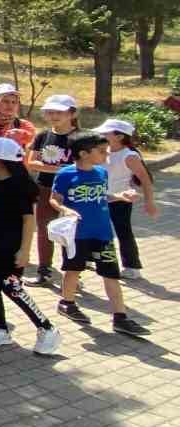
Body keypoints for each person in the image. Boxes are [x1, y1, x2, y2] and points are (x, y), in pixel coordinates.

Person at [52, 131, 149, 337]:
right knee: (73, 270)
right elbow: (54, 199)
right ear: (84, 153)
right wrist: (65, 209)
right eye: (102, 151)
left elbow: (102, 196)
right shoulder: (66, 174)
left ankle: (120, 318)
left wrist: (121, 196)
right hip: (77, 235)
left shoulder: (101, 173)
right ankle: (67, 303)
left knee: (110, 274)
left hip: (103, 233)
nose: (107, 155)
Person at [0, 138, 57, 351]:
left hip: (9, 247)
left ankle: (46, 328)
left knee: (12, 287)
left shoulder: (18, 186)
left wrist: (24, 250)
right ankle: (0, 329)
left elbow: (29, 220)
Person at [24, 94, 77, 286]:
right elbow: (31, 162)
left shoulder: (80, 137)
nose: (54, 116)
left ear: (72, 113)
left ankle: (72, 273)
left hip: (72, 191)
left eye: (60, 112)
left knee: (69, 231)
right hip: (45, 187)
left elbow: (87, 164)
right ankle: (44, 270)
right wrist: (59, 169)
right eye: (50, 112)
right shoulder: (43, 136)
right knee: (44, 229)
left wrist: (61, 170)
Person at [98, 118, 158, 277]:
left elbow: (145, 179)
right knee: (96, 229)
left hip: (121, 200)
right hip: (101, 197)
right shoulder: (102, 150)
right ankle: (93, 258)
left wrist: (149, 202)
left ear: (119, 136)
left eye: (106, 132)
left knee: (123, 231)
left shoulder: (129, 156)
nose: (102, 134)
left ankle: (132, 267)